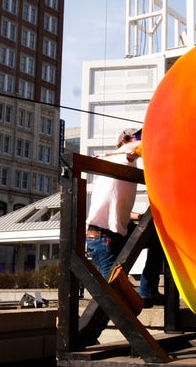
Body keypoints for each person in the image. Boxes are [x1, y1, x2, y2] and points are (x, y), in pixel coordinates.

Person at [85, 127, 164, 305]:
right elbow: (133, 150)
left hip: (113, 233)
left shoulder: (122, 166)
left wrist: (139, 216)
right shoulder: (121, 157)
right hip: (101, 236)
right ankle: (87, 331)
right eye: (135, 136)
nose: (139, 139)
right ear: (123, 141)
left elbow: (116, 209)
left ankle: (148, 291)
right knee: (115, 298)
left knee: (157, 239)